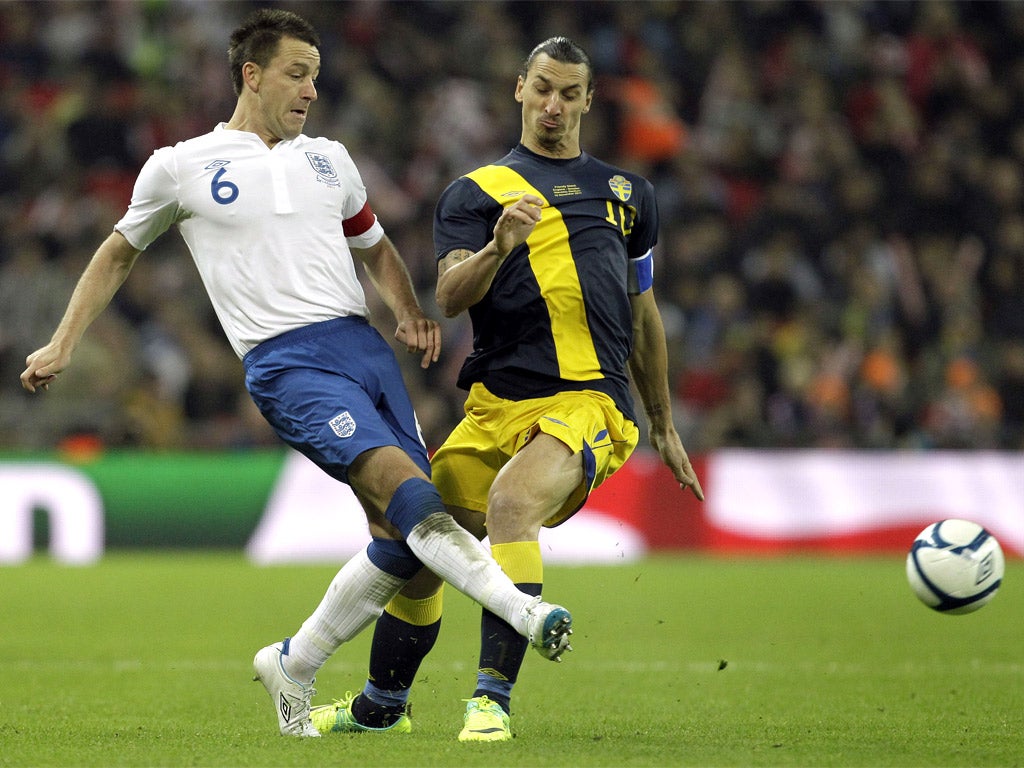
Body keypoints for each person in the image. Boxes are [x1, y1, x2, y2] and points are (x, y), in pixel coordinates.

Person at [19, 9, 574, 739]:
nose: (311, 89)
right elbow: (117, 252)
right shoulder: (180, 165)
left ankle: (296, 659)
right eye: (296, 73)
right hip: (288, 362)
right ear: (251, 75)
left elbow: (373, 247)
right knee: (412, 497)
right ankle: (522, 610)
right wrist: (61, 343)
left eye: (316, 75)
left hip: (364, 351)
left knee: (399, 538)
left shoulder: (330, 160)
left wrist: (407, 311)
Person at [309, 36, 704, 742]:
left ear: (586, 101)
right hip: (495, 407)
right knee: (420, 537)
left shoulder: (627, 195)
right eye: (543, 88)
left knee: (512, 502)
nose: (554, 105)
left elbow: (643, 315)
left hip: (589, 400)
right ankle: (382, 704)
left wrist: (665, 425)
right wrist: (499, 247)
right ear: (518, 89)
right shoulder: (475, 192)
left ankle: (490, 700)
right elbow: (451, 295)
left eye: (569, 93)